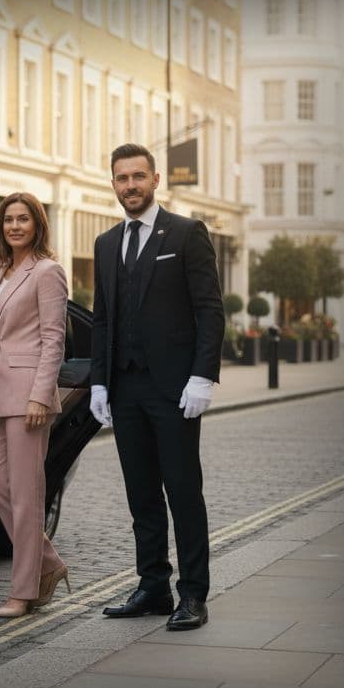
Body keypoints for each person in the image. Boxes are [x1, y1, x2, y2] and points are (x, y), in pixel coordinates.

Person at [89, 144, 224, 631]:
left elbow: (209, 309)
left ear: (156, 179)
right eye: (122, 178)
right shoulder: (106, 244)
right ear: (113, 183)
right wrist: (98, 384)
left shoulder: (187, 234)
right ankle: (152, 586)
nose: (130, 185)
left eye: (138, 176)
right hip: (124, 389)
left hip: (174, 389)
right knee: (141, 493)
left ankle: (193, 594)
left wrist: (202, 376)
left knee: (184, 492)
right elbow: (104, 318)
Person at [0, 192, 70, 618]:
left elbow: (54, 338)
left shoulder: (48, 272)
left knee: (27, 496)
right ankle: (49, 564)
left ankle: (22, 591)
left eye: (23, 219)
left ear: (37, 224)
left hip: (28, 395)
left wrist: (41, 395)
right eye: (8, 219)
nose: (15, 226)